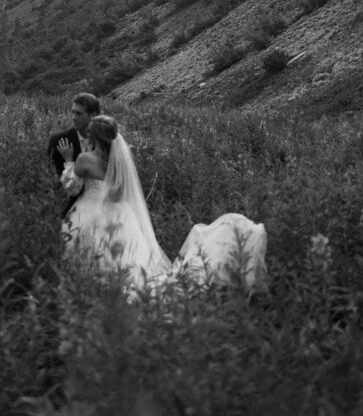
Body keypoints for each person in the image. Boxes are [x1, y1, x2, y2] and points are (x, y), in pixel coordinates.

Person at [58, 114, 267, 295]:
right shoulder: (119, 159)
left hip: (91, 214)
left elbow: (72, 187)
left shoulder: (85, 159)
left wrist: (68, 160)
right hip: (121, 216)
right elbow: (119, 191)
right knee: (130, 260)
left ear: (94, 137)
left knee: (89, 253)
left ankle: (95, 290)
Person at [48, 91, 100, 215]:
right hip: (69, 210)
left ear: (93, 115)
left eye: (79, 113)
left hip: (100, 207)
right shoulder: (59, 140)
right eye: (72, 112)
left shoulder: (104, 140)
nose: (73, 117)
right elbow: (51, 177)